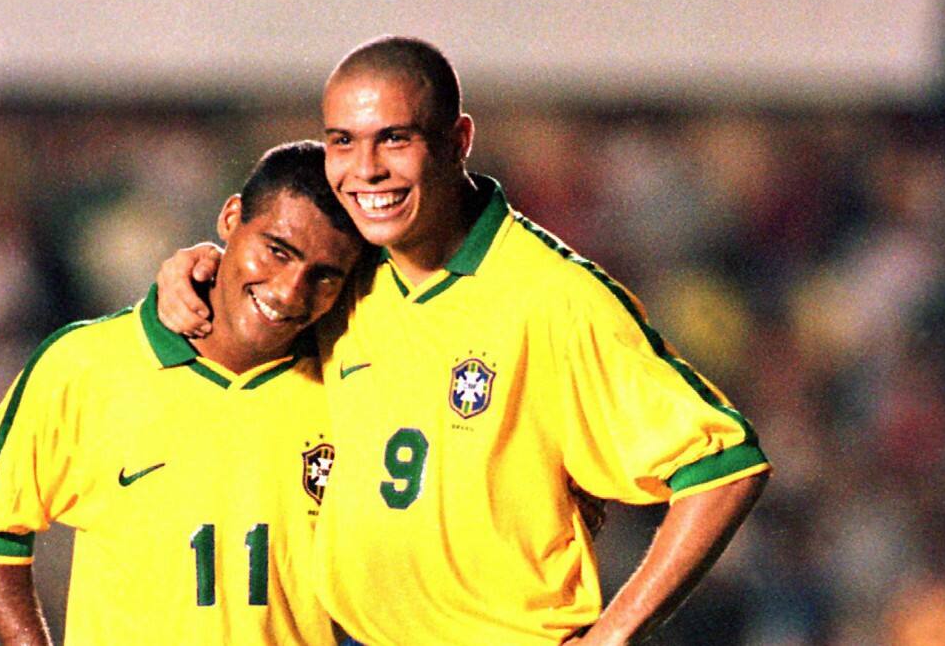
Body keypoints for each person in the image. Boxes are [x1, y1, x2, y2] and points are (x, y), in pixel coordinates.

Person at [155, 36, 770, 645]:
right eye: (343, 141)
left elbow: (724, 468)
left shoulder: (552, 294)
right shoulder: (350, 272)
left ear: (458, 142)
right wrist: (193, 269)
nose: (366, 168)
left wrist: (613, 635)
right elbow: (259, 301)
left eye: (395, 139)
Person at [0, 141, 365, 645]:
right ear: (231, 218)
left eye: (324, 275)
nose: (289, 290)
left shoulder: (352, 383)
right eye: (277, 251)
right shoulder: (86, 363)